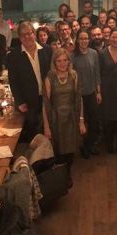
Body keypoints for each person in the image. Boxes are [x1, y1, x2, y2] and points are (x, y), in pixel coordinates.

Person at [43, 48, 85, 177]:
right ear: (54, 62)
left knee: (70, 151)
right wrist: (46, 126)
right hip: (56, 118)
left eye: (65, 60)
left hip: (72, 117)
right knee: (59, 152)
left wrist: (81, 121)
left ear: (69, 61)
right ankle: (62, 178)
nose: (62, 63)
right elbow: (45, 103)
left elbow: (79, 99)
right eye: (59, 61)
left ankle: (66, 176)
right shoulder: (50, 76)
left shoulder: (74, 75)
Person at [7, 21, 52, 142]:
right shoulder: (14, 55)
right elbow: (13, 81)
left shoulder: (47, 50)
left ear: (34, 34)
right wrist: (19, 101)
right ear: (19, 37)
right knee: (33, 130)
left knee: (49, 128)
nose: (27, 37)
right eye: (23, 35)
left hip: (47, 96)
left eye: (29, 33)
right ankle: (35, 157)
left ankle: (49, 155)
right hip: (28, 100)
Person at [71, 30, 101, 158]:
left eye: (86, 38)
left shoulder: (94, 53)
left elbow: (97, 73)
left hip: (92, 93)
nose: (84, 41)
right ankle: (83, 147)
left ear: (89, 40)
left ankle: (90, 145)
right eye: (81, 39)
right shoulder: (72, 56)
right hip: (79, 95)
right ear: (77, 40)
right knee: (81, 122)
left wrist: (98, 91)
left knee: (94, 121)